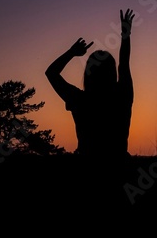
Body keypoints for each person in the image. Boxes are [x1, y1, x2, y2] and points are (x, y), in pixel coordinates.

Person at [45, 8, 135, 163]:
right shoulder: (122, 95)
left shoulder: (79, 99)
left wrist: (71, 53)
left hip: (87, 166)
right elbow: (124, 64)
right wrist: (125, 35)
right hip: (119, 166)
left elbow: (51, 73)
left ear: (88, 74)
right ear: (113, 73)